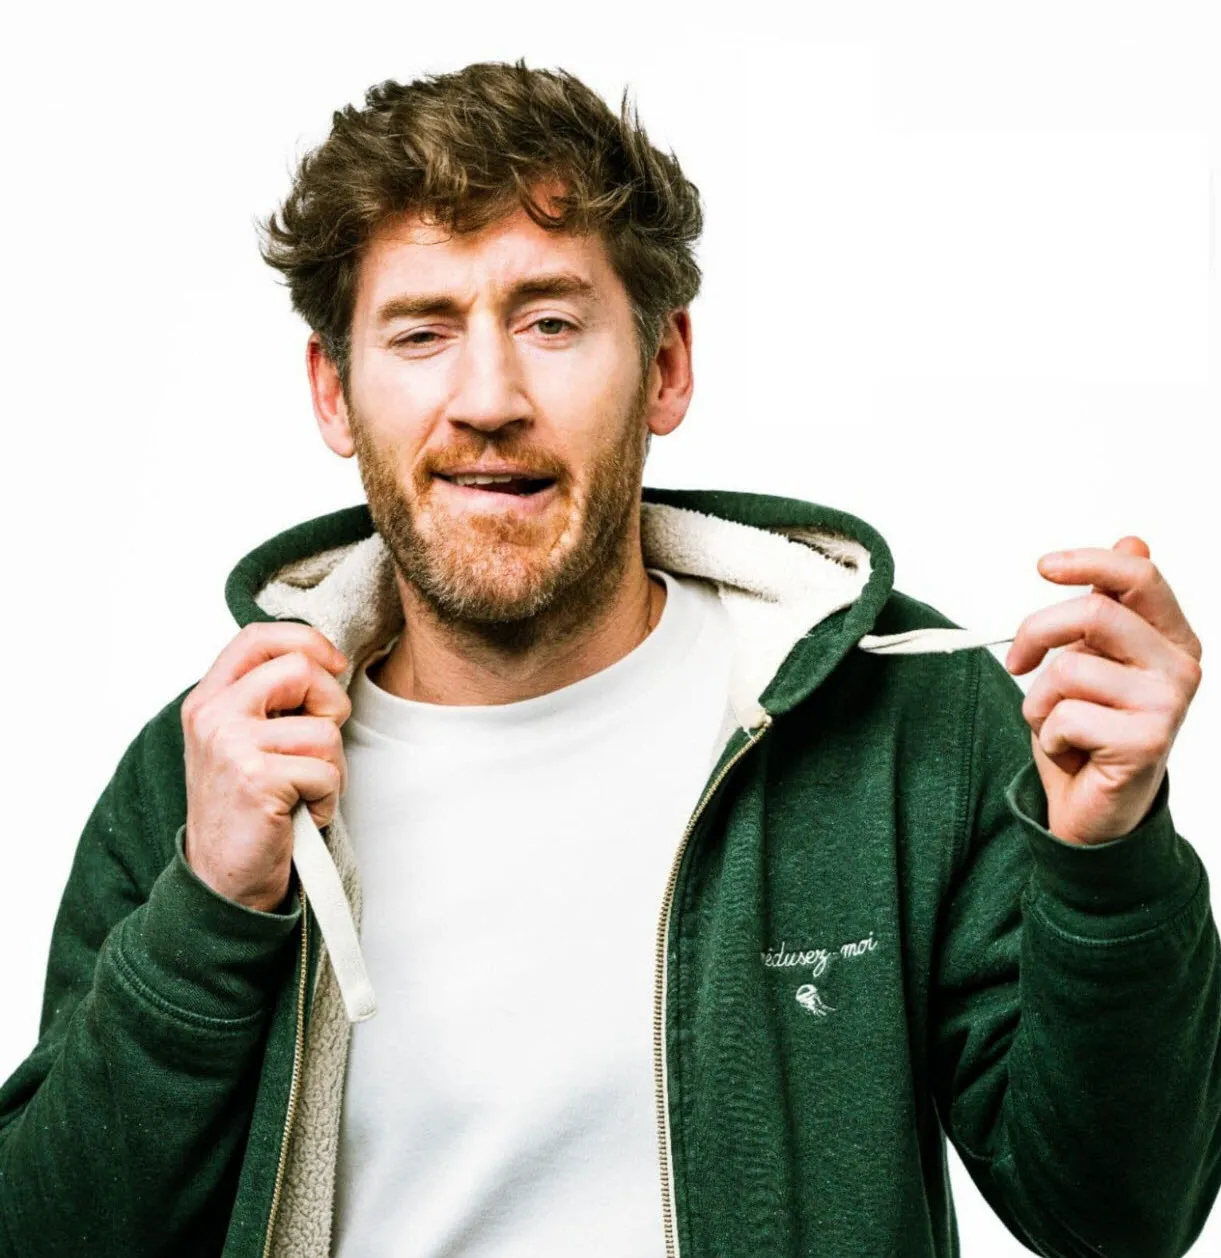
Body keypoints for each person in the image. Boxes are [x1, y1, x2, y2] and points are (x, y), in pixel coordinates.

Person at [0, 57, 1215, 1258]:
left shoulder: (907, 720)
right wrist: (210, 911)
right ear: (334, 392)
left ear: (665, 365)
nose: (488, 397)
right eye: (422, 332)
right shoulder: (211, 774)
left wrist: (1109, 861)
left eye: (551, 322)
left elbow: (1123, 1222)